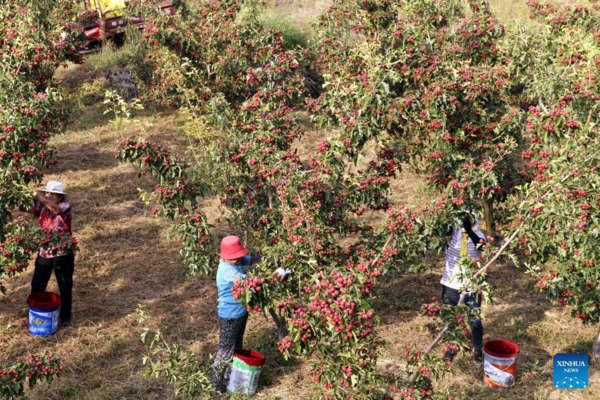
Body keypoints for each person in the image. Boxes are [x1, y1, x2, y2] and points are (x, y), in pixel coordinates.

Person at [211, 236, 290, 392]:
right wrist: (276, 276)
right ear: (226, 257)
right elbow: (253, 282)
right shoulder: (227, 271)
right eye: (235, 257)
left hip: (240, 314)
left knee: (236, 347)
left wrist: (276, 259)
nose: (239, 259)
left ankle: (230, 379)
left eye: (239, 255)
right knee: (226, 350)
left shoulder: (237, 260)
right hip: (229, 317)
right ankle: (215, 386)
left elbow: (254, 260)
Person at [20, 180, 75, 326]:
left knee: (64, 285)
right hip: (44, 251)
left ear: (60, 197)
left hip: (62, 252)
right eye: (47, 192)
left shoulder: (65, 206)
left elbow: (57, 211)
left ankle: (65, 317)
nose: (49, 195)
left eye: (53, 193)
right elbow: (24, 209)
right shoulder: (42, 207)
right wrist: (21, 196)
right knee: (37, 284)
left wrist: (41, 198)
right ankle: (31, 315)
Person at [440, 214, 486, 364]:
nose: (462, 221)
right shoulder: (451, 231)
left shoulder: (479, 235)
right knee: (450, 319)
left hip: (471, 286)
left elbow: (482, 247)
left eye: (467, 219)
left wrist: (468, 231)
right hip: (451, 284)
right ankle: (451, 347)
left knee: (475, 320)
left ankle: (477, 348)